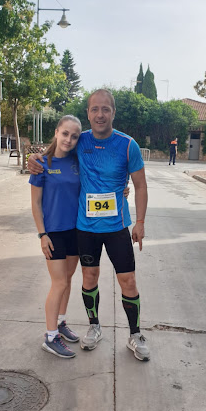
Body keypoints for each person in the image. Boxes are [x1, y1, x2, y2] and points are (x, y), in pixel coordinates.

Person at [28, 89, 150, 362]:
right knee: (88, 278)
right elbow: (54, 154)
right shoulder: (79, 141)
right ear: (88, 113)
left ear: (113, 113)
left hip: (118, 226)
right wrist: (35, 160)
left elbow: (140, 185)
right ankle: (94, 327)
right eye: (94, 109)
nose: (100, 114)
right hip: (85, 228)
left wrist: (140, 222)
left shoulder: (127, 144)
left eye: (105, 109)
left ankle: (136, 333)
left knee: (128, 280)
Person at [30, 115, 82, 359]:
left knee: (68, 279)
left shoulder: (77, 161)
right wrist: (42, 235)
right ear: (56, 132)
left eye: (74, 136)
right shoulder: (41, 163)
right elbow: (36, 203)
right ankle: (50, 337)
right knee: (59, 283)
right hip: (54, 233)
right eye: (65, 134)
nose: (69, 139)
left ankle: (60, 322)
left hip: (76, 231)